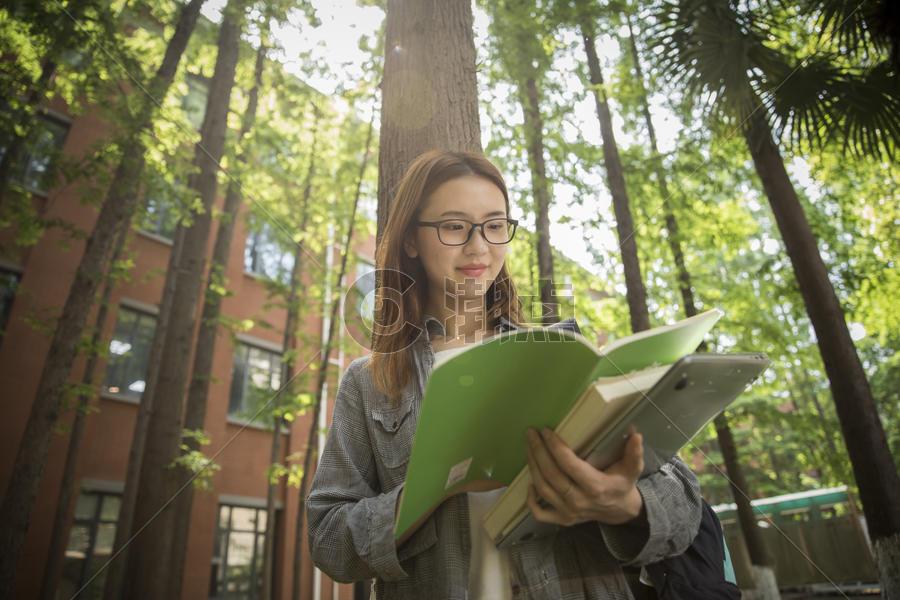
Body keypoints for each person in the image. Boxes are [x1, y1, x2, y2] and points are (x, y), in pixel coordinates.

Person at [307, 150, 703, 599]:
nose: (479, 247)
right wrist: (429, 491)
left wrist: (624, 504)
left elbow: (686, 507)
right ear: (412, 241)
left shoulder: (567, 354)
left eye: (495, 225)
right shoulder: (369, 382)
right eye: (454, 226)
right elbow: (328, 541)